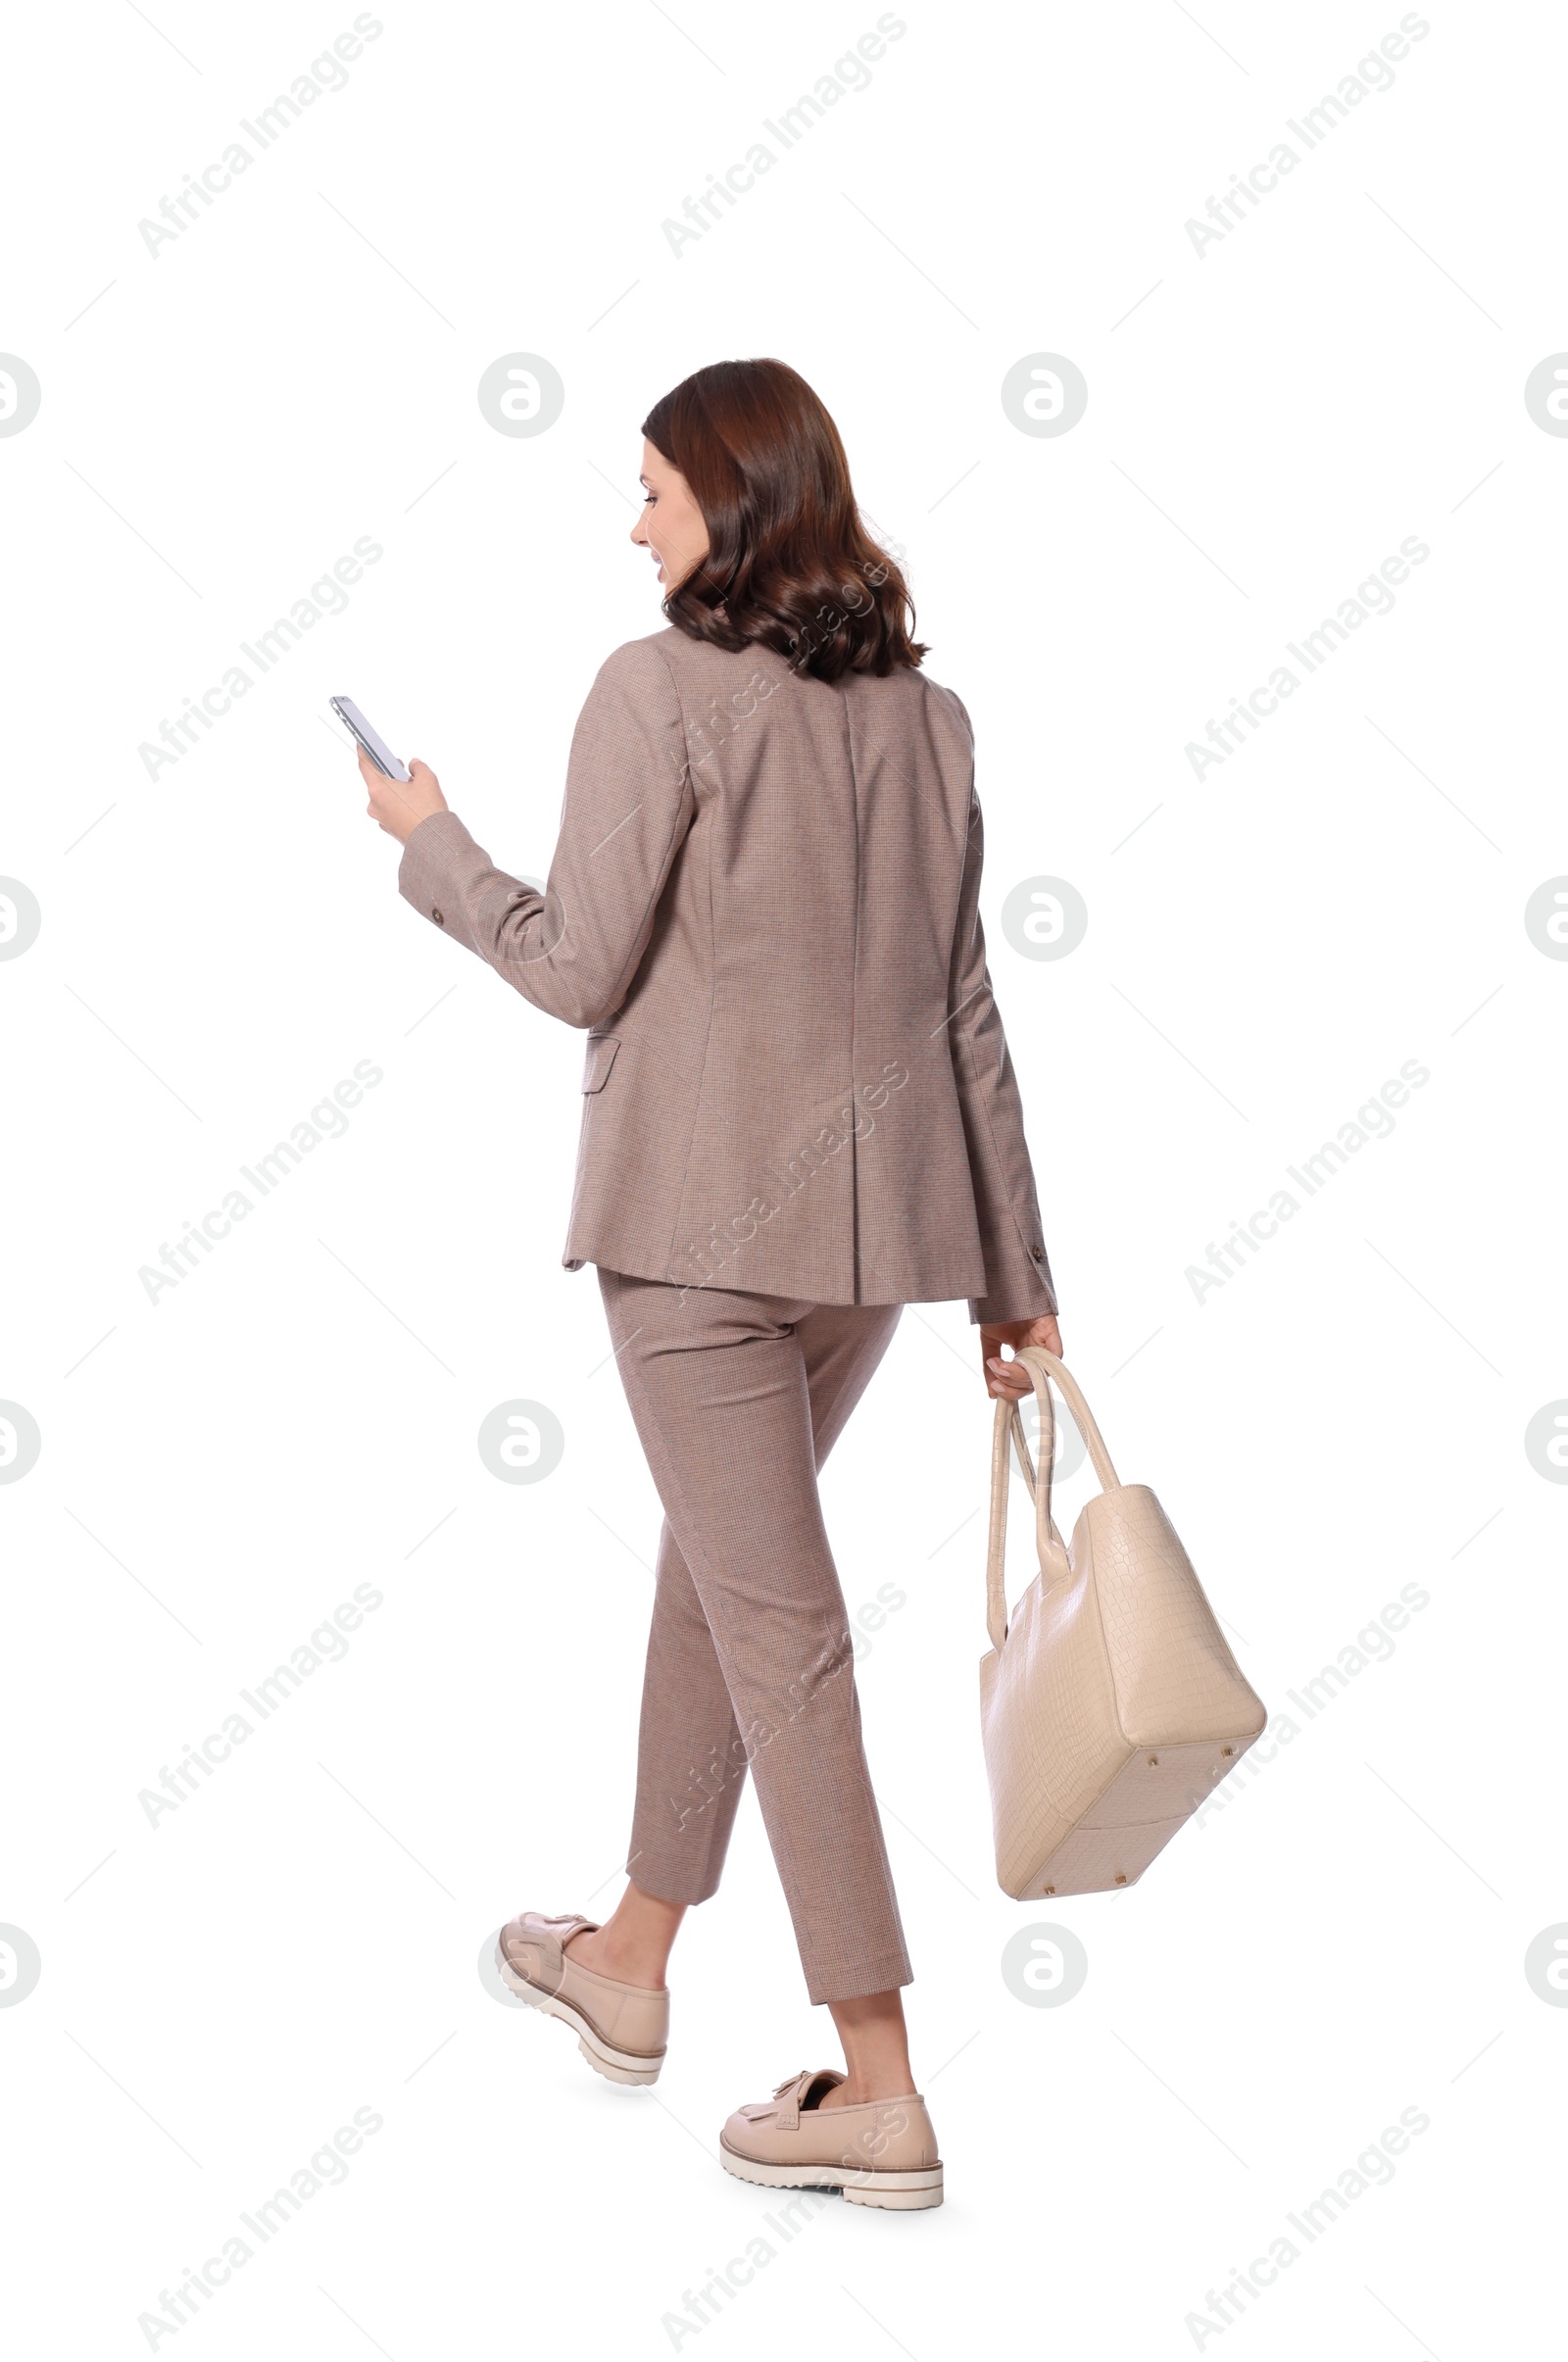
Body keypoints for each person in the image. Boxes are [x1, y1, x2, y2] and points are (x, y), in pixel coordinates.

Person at [358, 358, 1061, 2211]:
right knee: (723, 1584)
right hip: (879, 1260)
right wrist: (1017, 1279)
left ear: (733, 507)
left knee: (784, 1636)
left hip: (691, 1247)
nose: (637, 524)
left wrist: (429, 842)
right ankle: (633, 1959)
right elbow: (966, 1010)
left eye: (656, 492)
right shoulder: (933, 722)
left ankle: (883, 2082)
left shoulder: (654, 690)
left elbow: (575, 964)